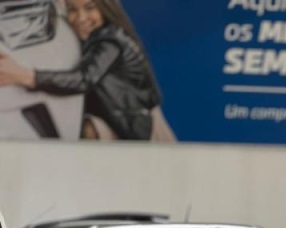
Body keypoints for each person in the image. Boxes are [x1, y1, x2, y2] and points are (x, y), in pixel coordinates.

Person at [0, 0, 174, 141]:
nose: (81, 18)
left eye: (90, 7)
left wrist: (27, 76)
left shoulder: (110, 42)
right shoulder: (93, 37)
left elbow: (84, 80)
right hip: (122, 124)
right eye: (72, 10)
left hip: (140, 130)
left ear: (105, 8)